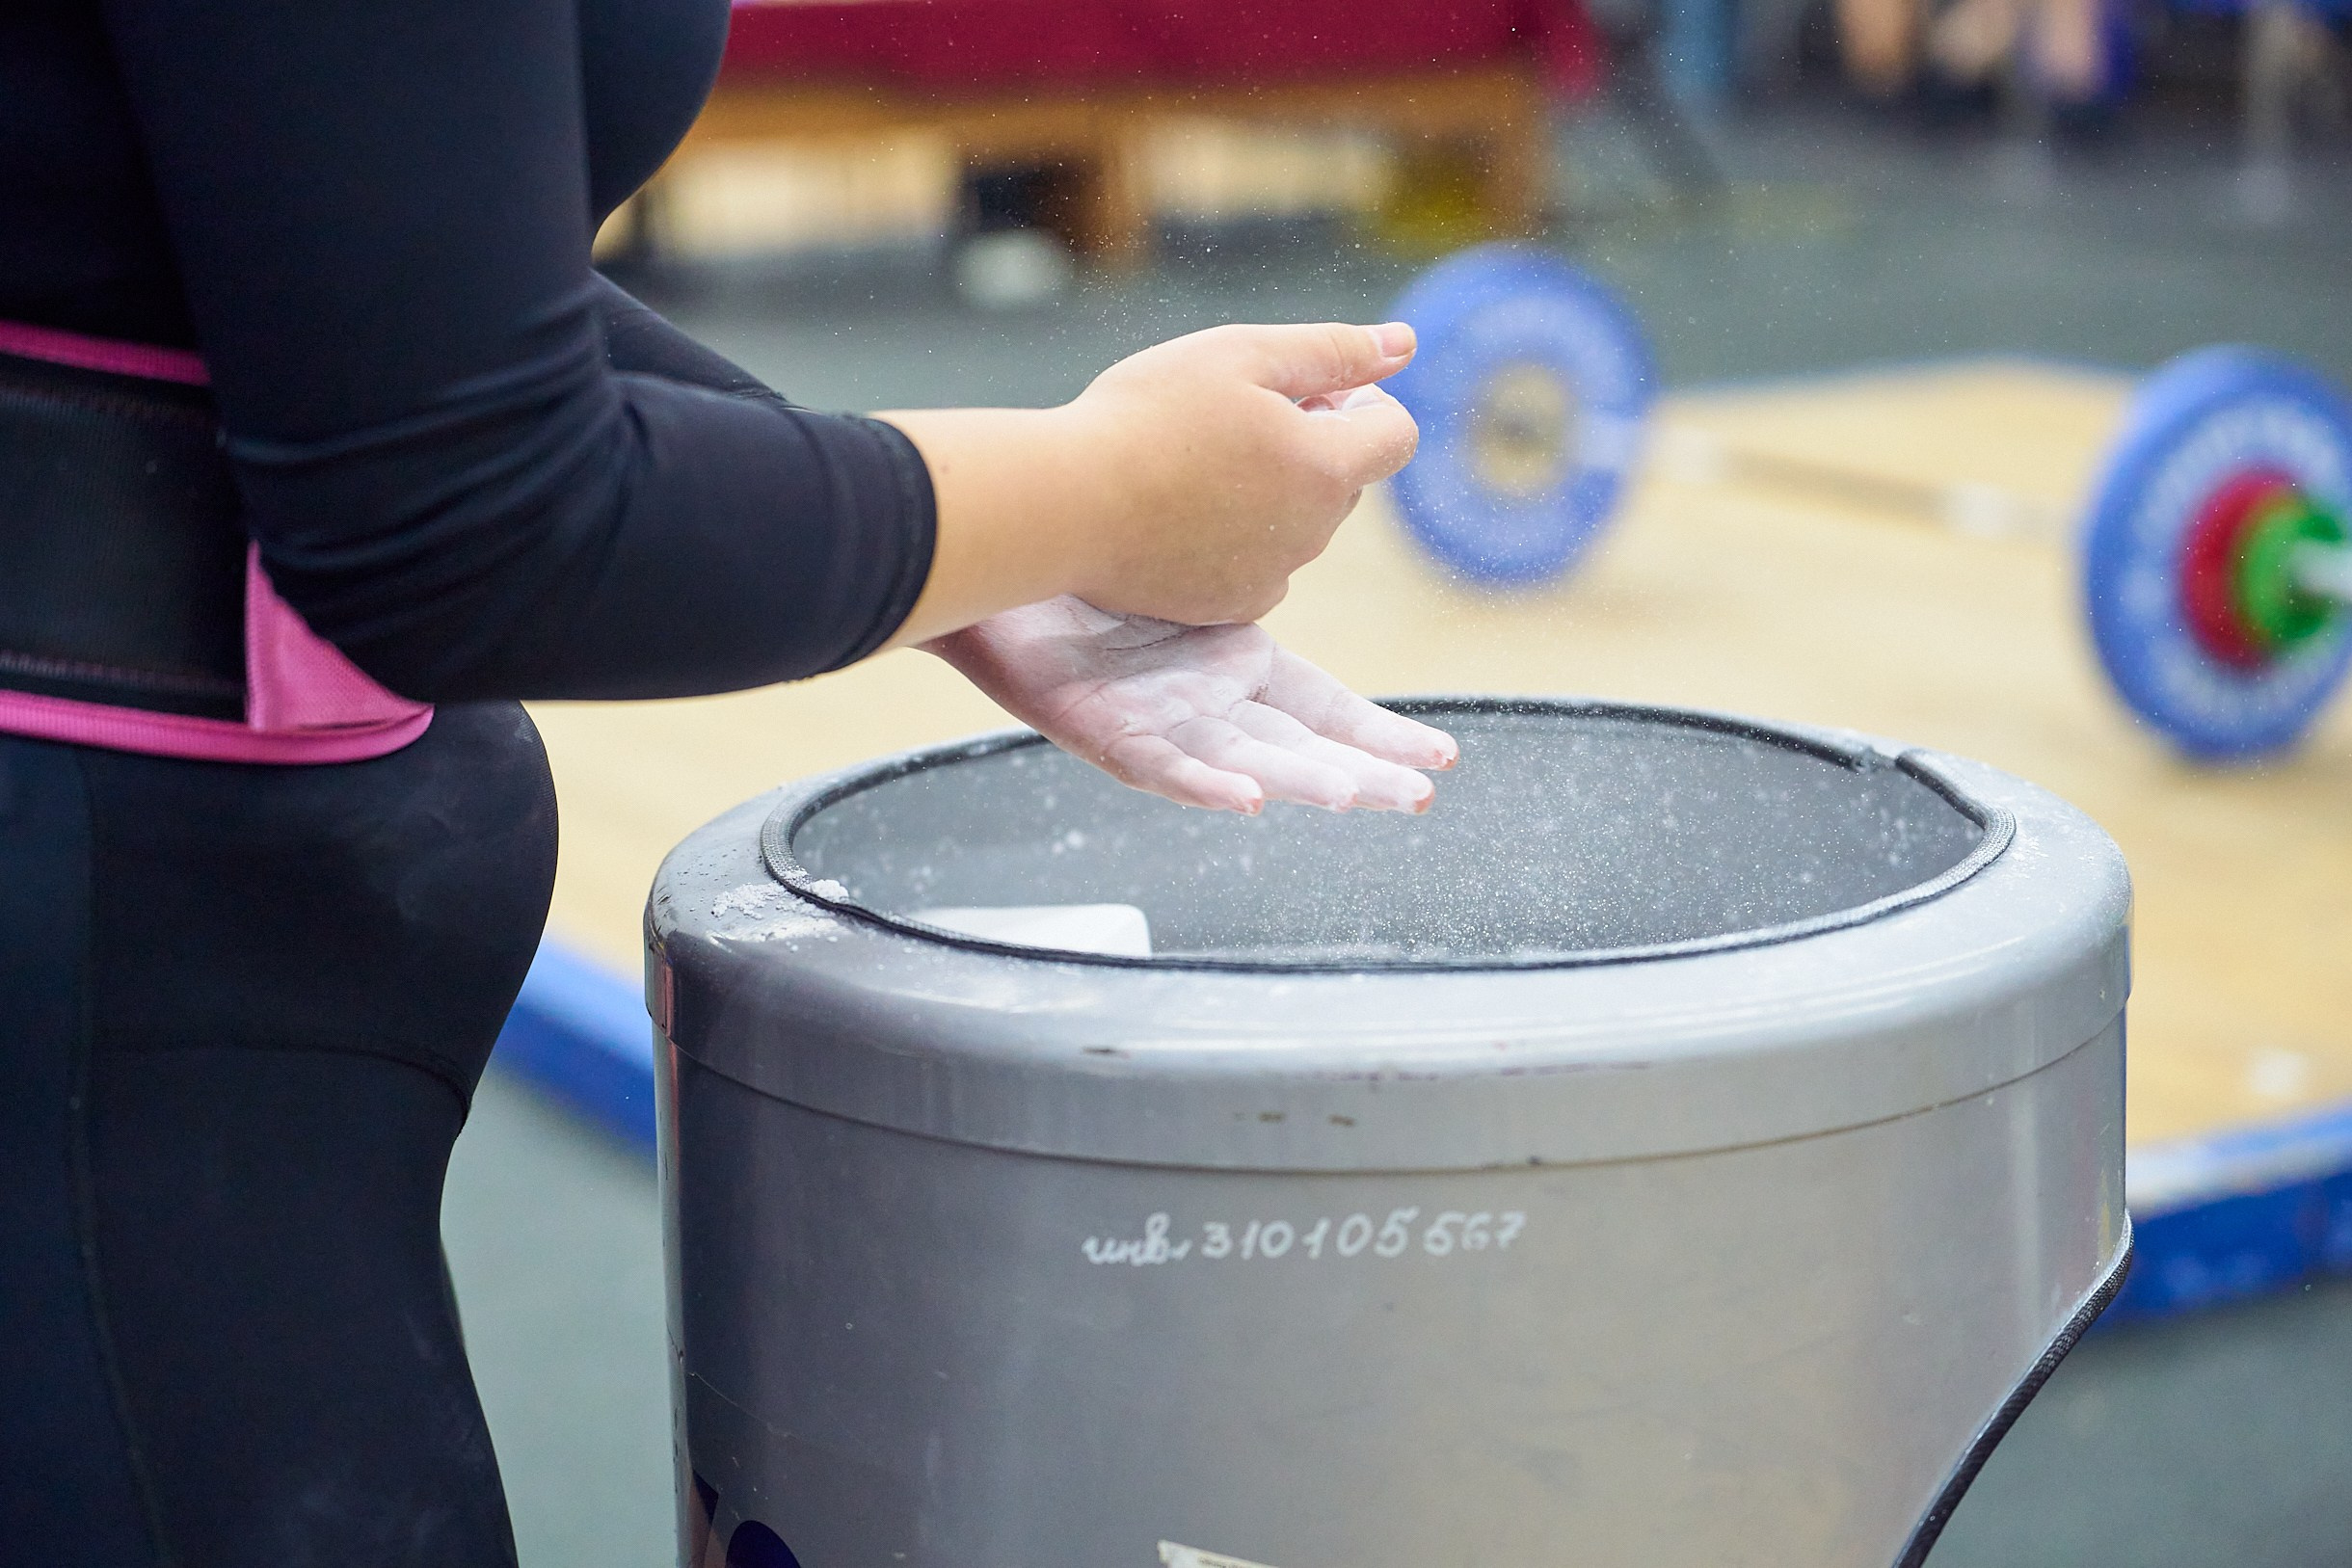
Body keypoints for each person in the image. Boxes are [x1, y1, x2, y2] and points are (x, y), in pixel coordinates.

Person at [0, 0, 1457, 1561]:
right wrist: (1108, 496)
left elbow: (316, 254)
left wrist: (996, 566)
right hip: (94, 1013)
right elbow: (474, 528)